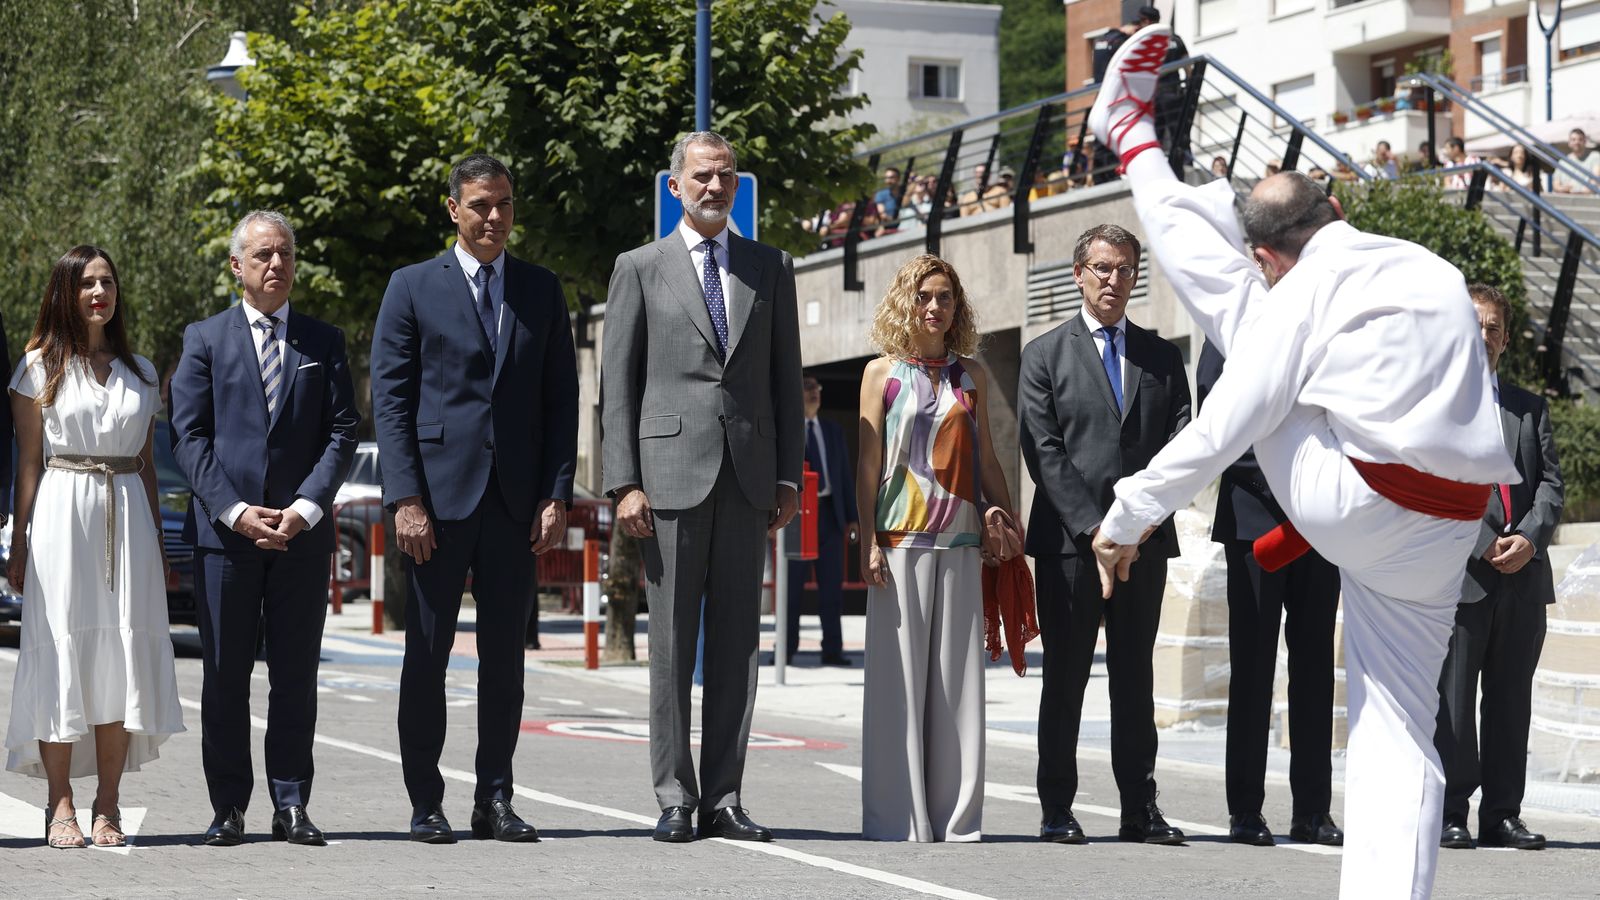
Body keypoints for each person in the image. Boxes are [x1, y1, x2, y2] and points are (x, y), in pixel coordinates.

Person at [1086, 24, 1518, 898]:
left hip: (1355, 502)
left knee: (1242, 327)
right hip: (1448, 527)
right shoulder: (1432, 269)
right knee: (1401, 727)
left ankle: (1133, 141)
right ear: (1339, 212)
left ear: (1269, 258)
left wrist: (1127, 516)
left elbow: (1222, 429)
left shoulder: (1290, 295)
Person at [601, 130, 802, 844]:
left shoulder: (770, 266)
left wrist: (787, 474)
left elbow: (785, 378)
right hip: (666, 482)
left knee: (738, 646)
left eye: (725, 176)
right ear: (675, 186)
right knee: (671, 645)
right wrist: (623, 482)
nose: (715, 187)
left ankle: (724, 795)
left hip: (748, 478)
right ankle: (675, 796)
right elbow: (618, 385)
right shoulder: (639, 267)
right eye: (702, 176)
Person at [372, 153, 579, 843]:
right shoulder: (410, 287)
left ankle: (494, 798)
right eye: (481, 205)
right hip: (435, 504)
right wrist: (405, 497)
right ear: (454, 209)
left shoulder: (541, 290)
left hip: (515, 505)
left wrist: (555, 494)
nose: (495, 217)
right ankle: (425, 802)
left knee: (505, 663)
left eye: (505, 204)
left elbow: (561, 400)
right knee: (427, 657)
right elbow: (392, 403)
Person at [170, 211, 359, 847]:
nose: (276, 264)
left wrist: (305, 508)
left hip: (301, 537)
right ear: (237, 266)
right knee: (225, 676)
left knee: (295, 676)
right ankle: (228, 807)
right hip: (226, 538)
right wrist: (235, 510)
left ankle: (292, 804)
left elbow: (342, 431)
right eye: (262, 255)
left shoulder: (323, 341)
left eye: (285, 253)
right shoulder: (204, 339)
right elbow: (189, 436)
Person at [1018, 224, 1192, 847]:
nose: (1113, 279)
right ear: (1078, 274)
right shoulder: (1044, 354)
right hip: (1071, 547)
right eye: (1101, 268)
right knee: (1065, 679)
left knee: (1135, 679)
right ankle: (1056, 808)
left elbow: (1181, 446)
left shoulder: (1162, 356)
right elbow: (1044, 452)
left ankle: (1139, 808)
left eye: (1124, 269)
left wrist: (1135, 527)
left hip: (1143, 545)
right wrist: (1097, 531)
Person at [4, 245, 183, 848]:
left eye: (107, 282)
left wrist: (157, 539)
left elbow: (147, 465)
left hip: (128, 520)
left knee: (119, 660)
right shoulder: (38, 367)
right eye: (87, 283)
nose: (100, 293)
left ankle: (108, 804)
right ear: (66, 292)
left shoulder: (141, 370)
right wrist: (19, 543)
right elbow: (28, 465)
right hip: (63, 517)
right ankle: (60, 804)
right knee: (61, 653)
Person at [856, 253, 1019, 842]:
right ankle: (898, 818)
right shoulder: (881, 373)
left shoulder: (971, 375)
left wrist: (1008, 522)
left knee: (958, 685)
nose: (935, 306)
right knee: (897, 684)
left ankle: (957, 820)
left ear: (957, 306)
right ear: (907, 301)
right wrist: (868, 540)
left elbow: (989, 459)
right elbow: (867, 466)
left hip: (962, 540)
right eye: (924, 296)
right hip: (898, 540)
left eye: (945, 297)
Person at [1198, 340, 1343, 849]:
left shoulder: (1325, 328)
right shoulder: (1231, 330)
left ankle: (1313, 810)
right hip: (1254, 522)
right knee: (1253, 669)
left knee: (1315, 670)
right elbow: (1219, 422)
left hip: (1317, 526)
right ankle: (1245, 809)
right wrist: (1287, 482)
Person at [1435, 284, 1563, 852]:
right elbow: (1435, 486)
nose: (1484, 336)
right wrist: (1484, 540)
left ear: (1506, 340)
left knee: (1511, 703)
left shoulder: (1529, 408)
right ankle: (1451, 811)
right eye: (1474, 325)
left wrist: (1530, 540)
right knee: (1455, 704)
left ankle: (1503, 814)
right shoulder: (1437, 404)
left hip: (1524, 579)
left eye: (1493, 328)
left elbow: (1552, 486)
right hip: (1464, 576)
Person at [786, 375, 858, 666]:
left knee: (832, 587)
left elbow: (844, 476)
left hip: (830, 515)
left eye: (817, 388)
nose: (814, 393)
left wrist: (852, 518)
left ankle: (832, 649)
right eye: (807, 388)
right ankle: (786, 649)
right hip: (798, 515)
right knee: (791, 588)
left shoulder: (833, 430)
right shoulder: (789, 429)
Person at [1553, 128, 1600, 193]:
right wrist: (1563, 189)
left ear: (1585, 142)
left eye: (1580, 139)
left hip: (1587, 198)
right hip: (1566, 198)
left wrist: (1577, 192)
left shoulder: (1595, 156)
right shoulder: (1563, 161)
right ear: (1569, 143)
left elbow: (1595, 182)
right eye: (1573, 140)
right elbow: (1556, 185)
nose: (1577, 142)